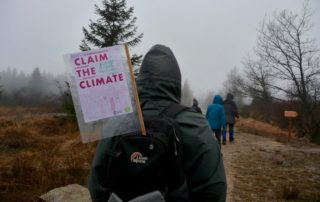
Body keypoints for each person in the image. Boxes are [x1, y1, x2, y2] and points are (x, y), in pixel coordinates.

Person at [88, 44, 227, 202]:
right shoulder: (197, 125)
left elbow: (96, 183)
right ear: (176, 83)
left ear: (140, 80)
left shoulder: (117, 121)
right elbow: (215, 190)